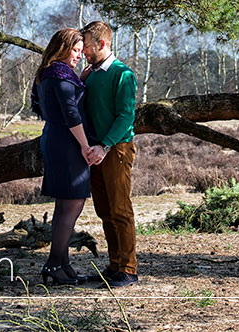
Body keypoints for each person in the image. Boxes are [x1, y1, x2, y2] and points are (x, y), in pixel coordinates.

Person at [31, 27, 101, 285]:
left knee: (65, 207)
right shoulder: (60, 76)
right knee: (71, 206)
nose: (79, 56)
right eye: (76, 50)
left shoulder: (50, 74)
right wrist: (85, 146)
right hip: (68, 143)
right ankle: (52, 265)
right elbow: (71, 114)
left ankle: (63, 263)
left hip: (56, 139)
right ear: (62, 48)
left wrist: (79, 79)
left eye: (82, 51)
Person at [80, 20, 139, 287]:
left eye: (88, 47)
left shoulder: (122, 74)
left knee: (120, 209)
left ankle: (128, 268)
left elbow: (126, 116)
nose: (84, 52)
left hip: (116, 150)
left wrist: (104, 146)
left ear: (102, 44)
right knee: (104, 210)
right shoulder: (90, 74)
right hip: (94, 152)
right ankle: (114, 266)